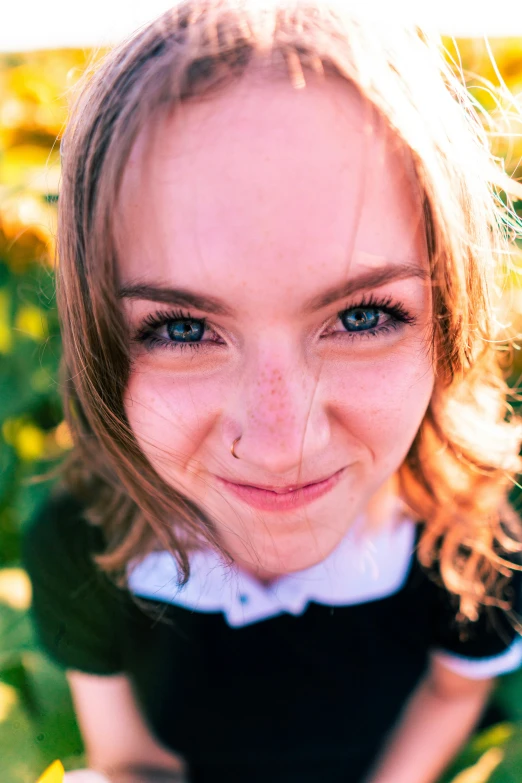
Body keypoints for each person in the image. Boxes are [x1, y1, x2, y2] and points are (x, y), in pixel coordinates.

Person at [22, 1, 522, 782]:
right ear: (95, 339)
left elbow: (454, 690)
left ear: (452, 317)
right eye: (182, 328)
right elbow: (128, 757)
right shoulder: (83, 543)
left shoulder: (477, 539)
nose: (282, 440)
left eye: (362, 315)